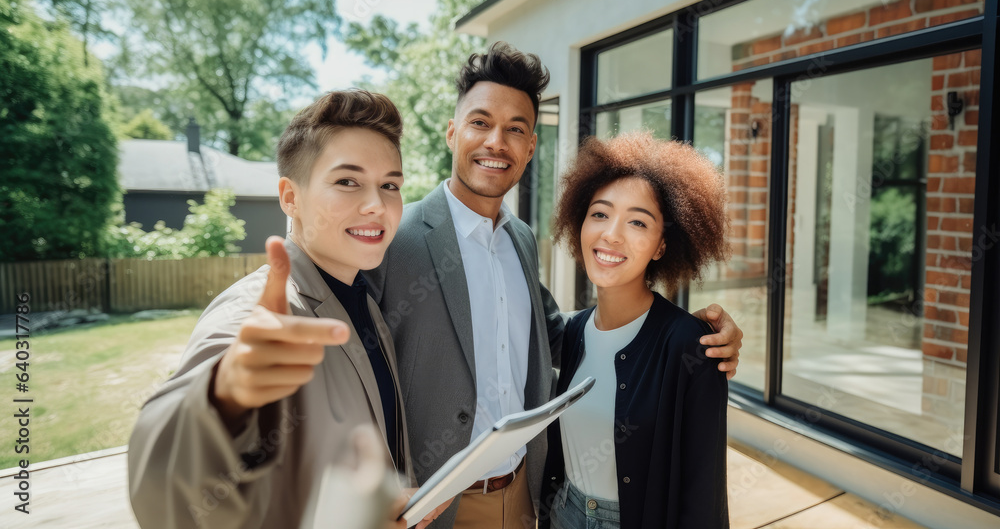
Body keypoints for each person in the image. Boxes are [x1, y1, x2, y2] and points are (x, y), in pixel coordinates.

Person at [365, 42, 743, 529]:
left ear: (530, 148)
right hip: (435, 505)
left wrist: (694, 336)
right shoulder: (397, 234)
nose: (496, 142)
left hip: (526, 495)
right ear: (452, 131)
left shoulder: (520, 240)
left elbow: (552, 334)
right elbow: (348, 356)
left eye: (515, 129)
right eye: (480, 122)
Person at [127, 90, 447, 529]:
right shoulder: (254, 313)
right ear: (290, 197)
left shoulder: (366, 303)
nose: (377, 204)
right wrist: (224, 398)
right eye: (348, 181)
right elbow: (164, 494)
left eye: (390, 185)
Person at [539, 131, 730, 529]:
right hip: (563, 513)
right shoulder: (573, 331)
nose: (611, 234)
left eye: (638, 222)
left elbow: (703, 493)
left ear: (662, 245)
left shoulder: (691, 346)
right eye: (600, 213)